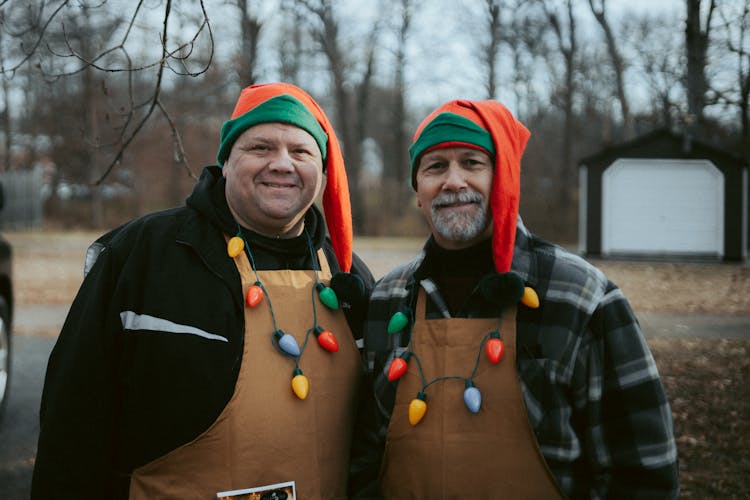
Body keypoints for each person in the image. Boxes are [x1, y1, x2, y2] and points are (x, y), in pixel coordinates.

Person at [31, 82, 374, 499]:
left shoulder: (347, 275)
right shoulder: (142, 255)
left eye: (300, 152)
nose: (282, 164)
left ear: (322, 172)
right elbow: (73, 421)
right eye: (260, 148)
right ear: (226, 162)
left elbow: (371, 441)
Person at [349, 99, 679, 498]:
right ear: (418, 190)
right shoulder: (388, 298)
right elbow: (364, 456)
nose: (453, 181)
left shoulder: (582, 296)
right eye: (435, 166)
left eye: (472, 163)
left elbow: (642, 474)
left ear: (504, 177)